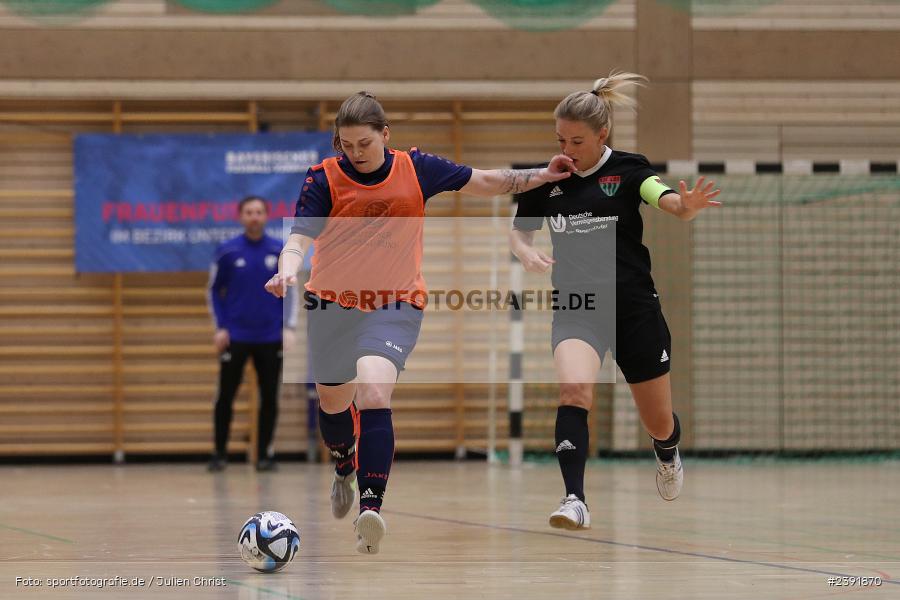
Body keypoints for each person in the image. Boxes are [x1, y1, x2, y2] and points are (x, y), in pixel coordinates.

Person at [266, 91, 573, 554]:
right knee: (333, 407)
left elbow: (486, 180)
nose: (355, 154)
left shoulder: (416, 168)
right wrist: (288, 267)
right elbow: (298, 238)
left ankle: (371, 507)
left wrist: (541, 176)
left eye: (364, 144)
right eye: (346, 146)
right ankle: (344, 463)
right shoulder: (324, 178)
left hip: (396, 302)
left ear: (385, 135)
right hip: (332, 304)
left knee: (373, 390)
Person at [510, 72, 721, 530]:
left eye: (577, 141)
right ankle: (574, 499)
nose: (566, 150)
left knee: (658, 420)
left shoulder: (628, 169)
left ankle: (667, 451)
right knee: (573, 392)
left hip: (634, 309)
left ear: (602, 134)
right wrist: (526, 253)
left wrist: (683, 207)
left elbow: (661, 196)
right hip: (577, 307)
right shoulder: (547, 180)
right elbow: (520, 232)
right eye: (561, 139)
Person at [207, 195, 297, 473]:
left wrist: (288, 327)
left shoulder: (279, 250)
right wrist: (221, 327)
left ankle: (265, 455)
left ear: (266, 215)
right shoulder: (227, 251)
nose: (254, 216)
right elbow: (213, 290)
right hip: (236, 336)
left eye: (259, 212)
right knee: (226, 396)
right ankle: (220, 453)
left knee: (269, 398)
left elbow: (290, 292)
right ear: (241, 216)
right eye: (249, 212)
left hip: (270, 337)